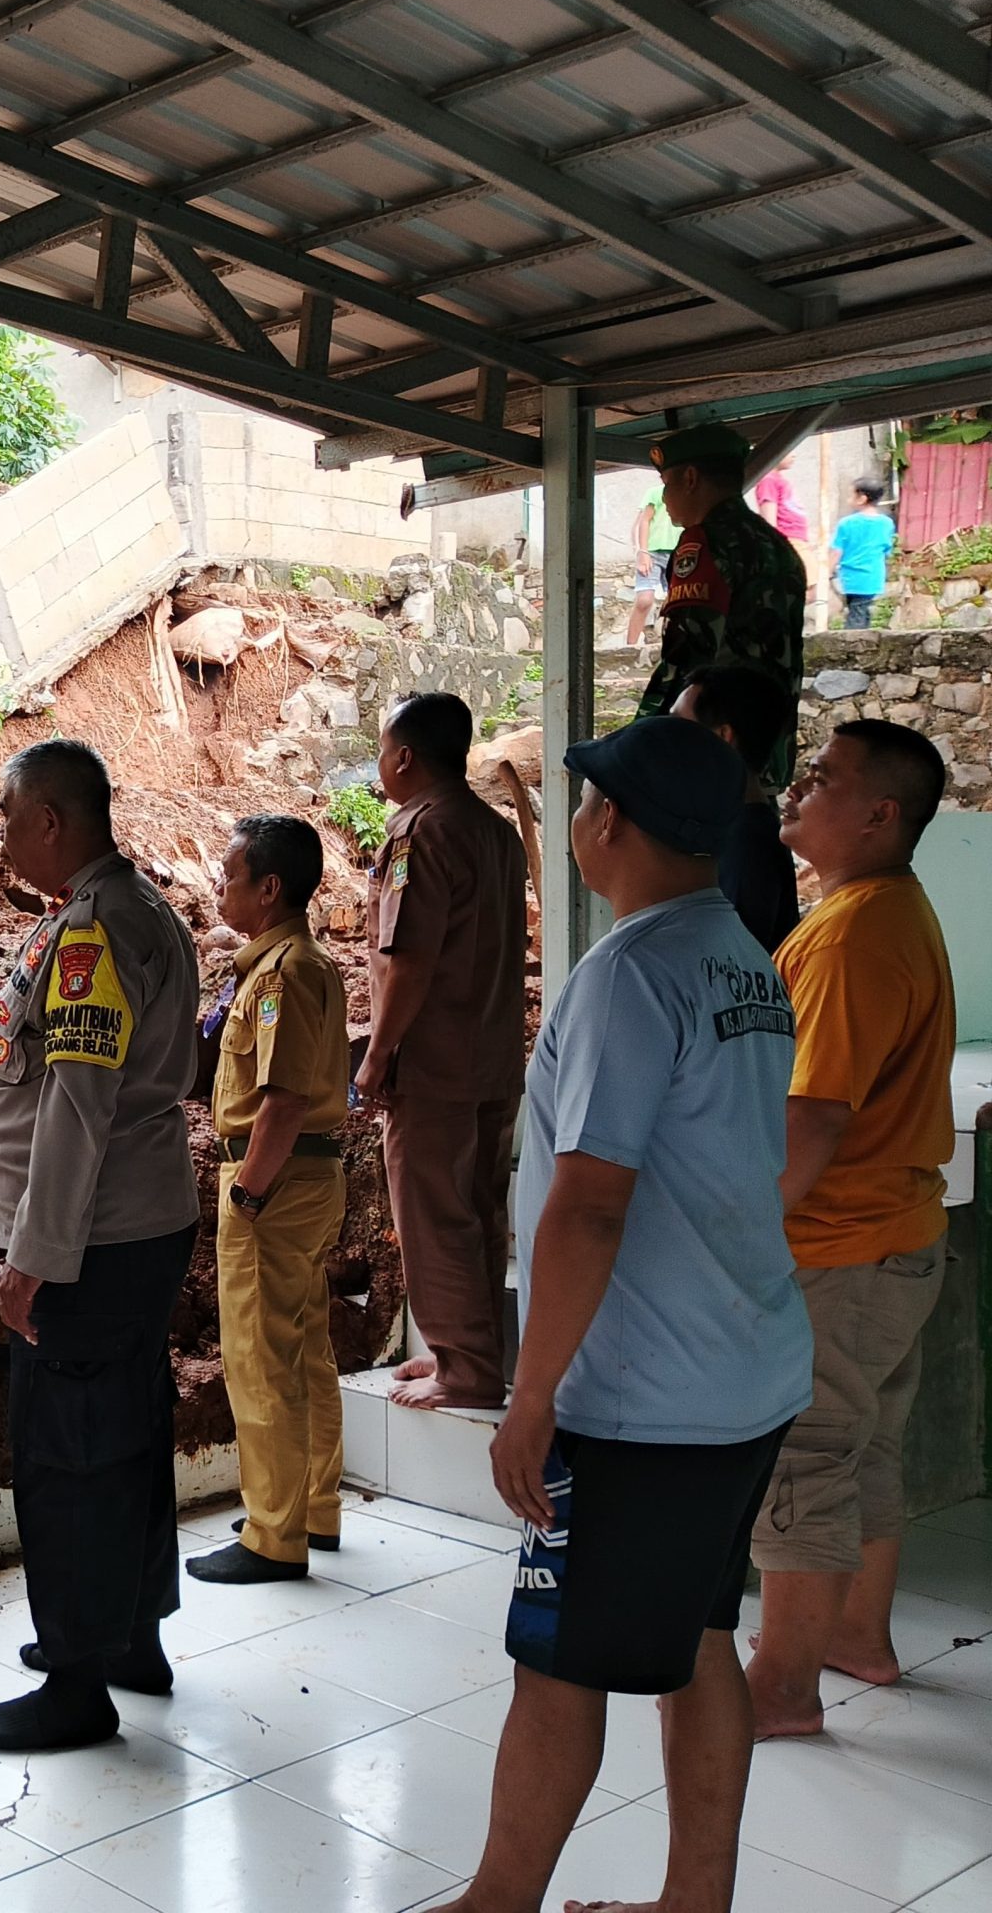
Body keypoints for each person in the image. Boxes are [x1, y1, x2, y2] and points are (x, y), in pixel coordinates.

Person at [424, 717, 811, 1913]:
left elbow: (588, 1206)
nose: (577, 820)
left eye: (587, 804)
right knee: (694, 1642)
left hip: (643, 1402)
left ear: (615, 827)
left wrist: (529, 1400)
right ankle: (693, 1901)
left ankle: (496, 1902)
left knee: (559, 1664)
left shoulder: (631, 974)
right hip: (741, 1372)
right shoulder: (745, 958)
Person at [0, 737, 200, 1754]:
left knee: (70, 1457)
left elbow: (75, 1107)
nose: (1, 840)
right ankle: (129, 1636)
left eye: (9, 821)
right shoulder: (140, 910)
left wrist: (34, 1256)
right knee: (124, 1434)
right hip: (139, 1226)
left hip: (91, 1242)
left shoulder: (93, 936)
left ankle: (77, 1681)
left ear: (52, 820)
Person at [745, 721, 956, 1739]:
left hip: (835, 1249)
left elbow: (813, 1115)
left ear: (880, 815)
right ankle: (857, 1639)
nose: (794, 791)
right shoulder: (889, 911)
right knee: (863, 1449)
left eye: (820, 780)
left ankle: (780, 1691)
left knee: (804, 1458)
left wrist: (742, 1238)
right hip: (895, 1238)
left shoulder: (849, 935)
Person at [187, 815, 350, 1586]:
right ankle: (312, 1506)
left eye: (229, 877)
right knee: (305, 1348)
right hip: (307, 1180)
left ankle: (272, 1534)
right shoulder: (293, 965)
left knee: (260, 1357)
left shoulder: (284, 975)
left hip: (272, 1182)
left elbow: (281, 1101)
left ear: (269, 888)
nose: (221, 888)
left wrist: (247, 1193)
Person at [355, 693, 530, 1412]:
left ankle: (466, 1368)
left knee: (432, 1213)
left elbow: (411, 958)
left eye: (382, 750)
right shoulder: (498, 834)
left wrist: (378, 1053)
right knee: (481, 1211)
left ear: (403, 758)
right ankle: (465, 1353)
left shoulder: (417, 834)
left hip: (434, 1062)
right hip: (492, 1053)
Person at [635, 423, 808, 784]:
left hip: (711, 746)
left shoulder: (704, 543)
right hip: (765, 748)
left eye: (668, 485)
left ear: (691, 478)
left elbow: (687, 654)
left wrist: (640, 737)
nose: (664, 500)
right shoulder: (777, 545)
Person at [671, 663, 801, 953]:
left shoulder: (747, 842)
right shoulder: (735, 829)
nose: (669, 738)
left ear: (722, 736)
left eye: (679, 724)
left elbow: (725, 965)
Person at [621, 479, 682, 649]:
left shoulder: (687, 495)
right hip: (653, 553)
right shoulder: (655, 493)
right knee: (644, 599)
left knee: (677, 601)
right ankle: (630, 647)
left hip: (678, 552)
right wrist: (642, 551)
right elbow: (644, 521)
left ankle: (674, 643)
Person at [831, 478, 896, 631]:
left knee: (856, 614)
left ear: (862, 499)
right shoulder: (886, 523)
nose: (848, 499)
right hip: (873, 577)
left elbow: (836, 551)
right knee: (862, 610)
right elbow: (887, 550)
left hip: (850, 577)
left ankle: (851, 647)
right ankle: (864, 642)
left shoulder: (846, 523)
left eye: (851, 495)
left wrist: (827, 571)